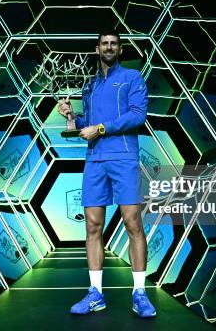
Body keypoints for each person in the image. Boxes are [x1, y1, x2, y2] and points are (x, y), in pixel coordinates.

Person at [57, 30, 156, 318]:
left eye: (114, 44)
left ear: (120, 49)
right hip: (95, 159)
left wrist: (100, 129)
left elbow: (138, 115)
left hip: (124, 157)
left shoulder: (133, 77)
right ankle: (95, 294)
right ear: (97, 48)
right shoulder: (89, 87)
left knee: (133, 222)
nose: (109, 47)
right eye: (104, 44)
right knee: (92, 226)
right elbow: (87, 125)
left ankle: (139, 293)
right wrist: (73, 117)